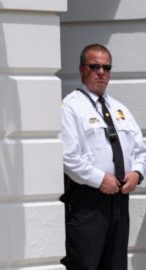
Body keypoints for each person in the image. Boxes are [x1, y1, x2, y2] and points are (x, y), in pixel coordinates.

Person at [59, 44, 146, 269]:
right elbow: (68, 157)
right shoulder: (71, 107)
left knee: (116, 264)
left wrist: (137, 173)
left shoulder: (120, 110)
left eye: (106, 67)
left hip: (119, 201)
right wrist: (100, 179)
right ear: (81, 69)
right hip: (88, 202)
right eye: (94, 66)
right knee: (86, 263)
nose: (101, 72)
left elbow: (140, 150)